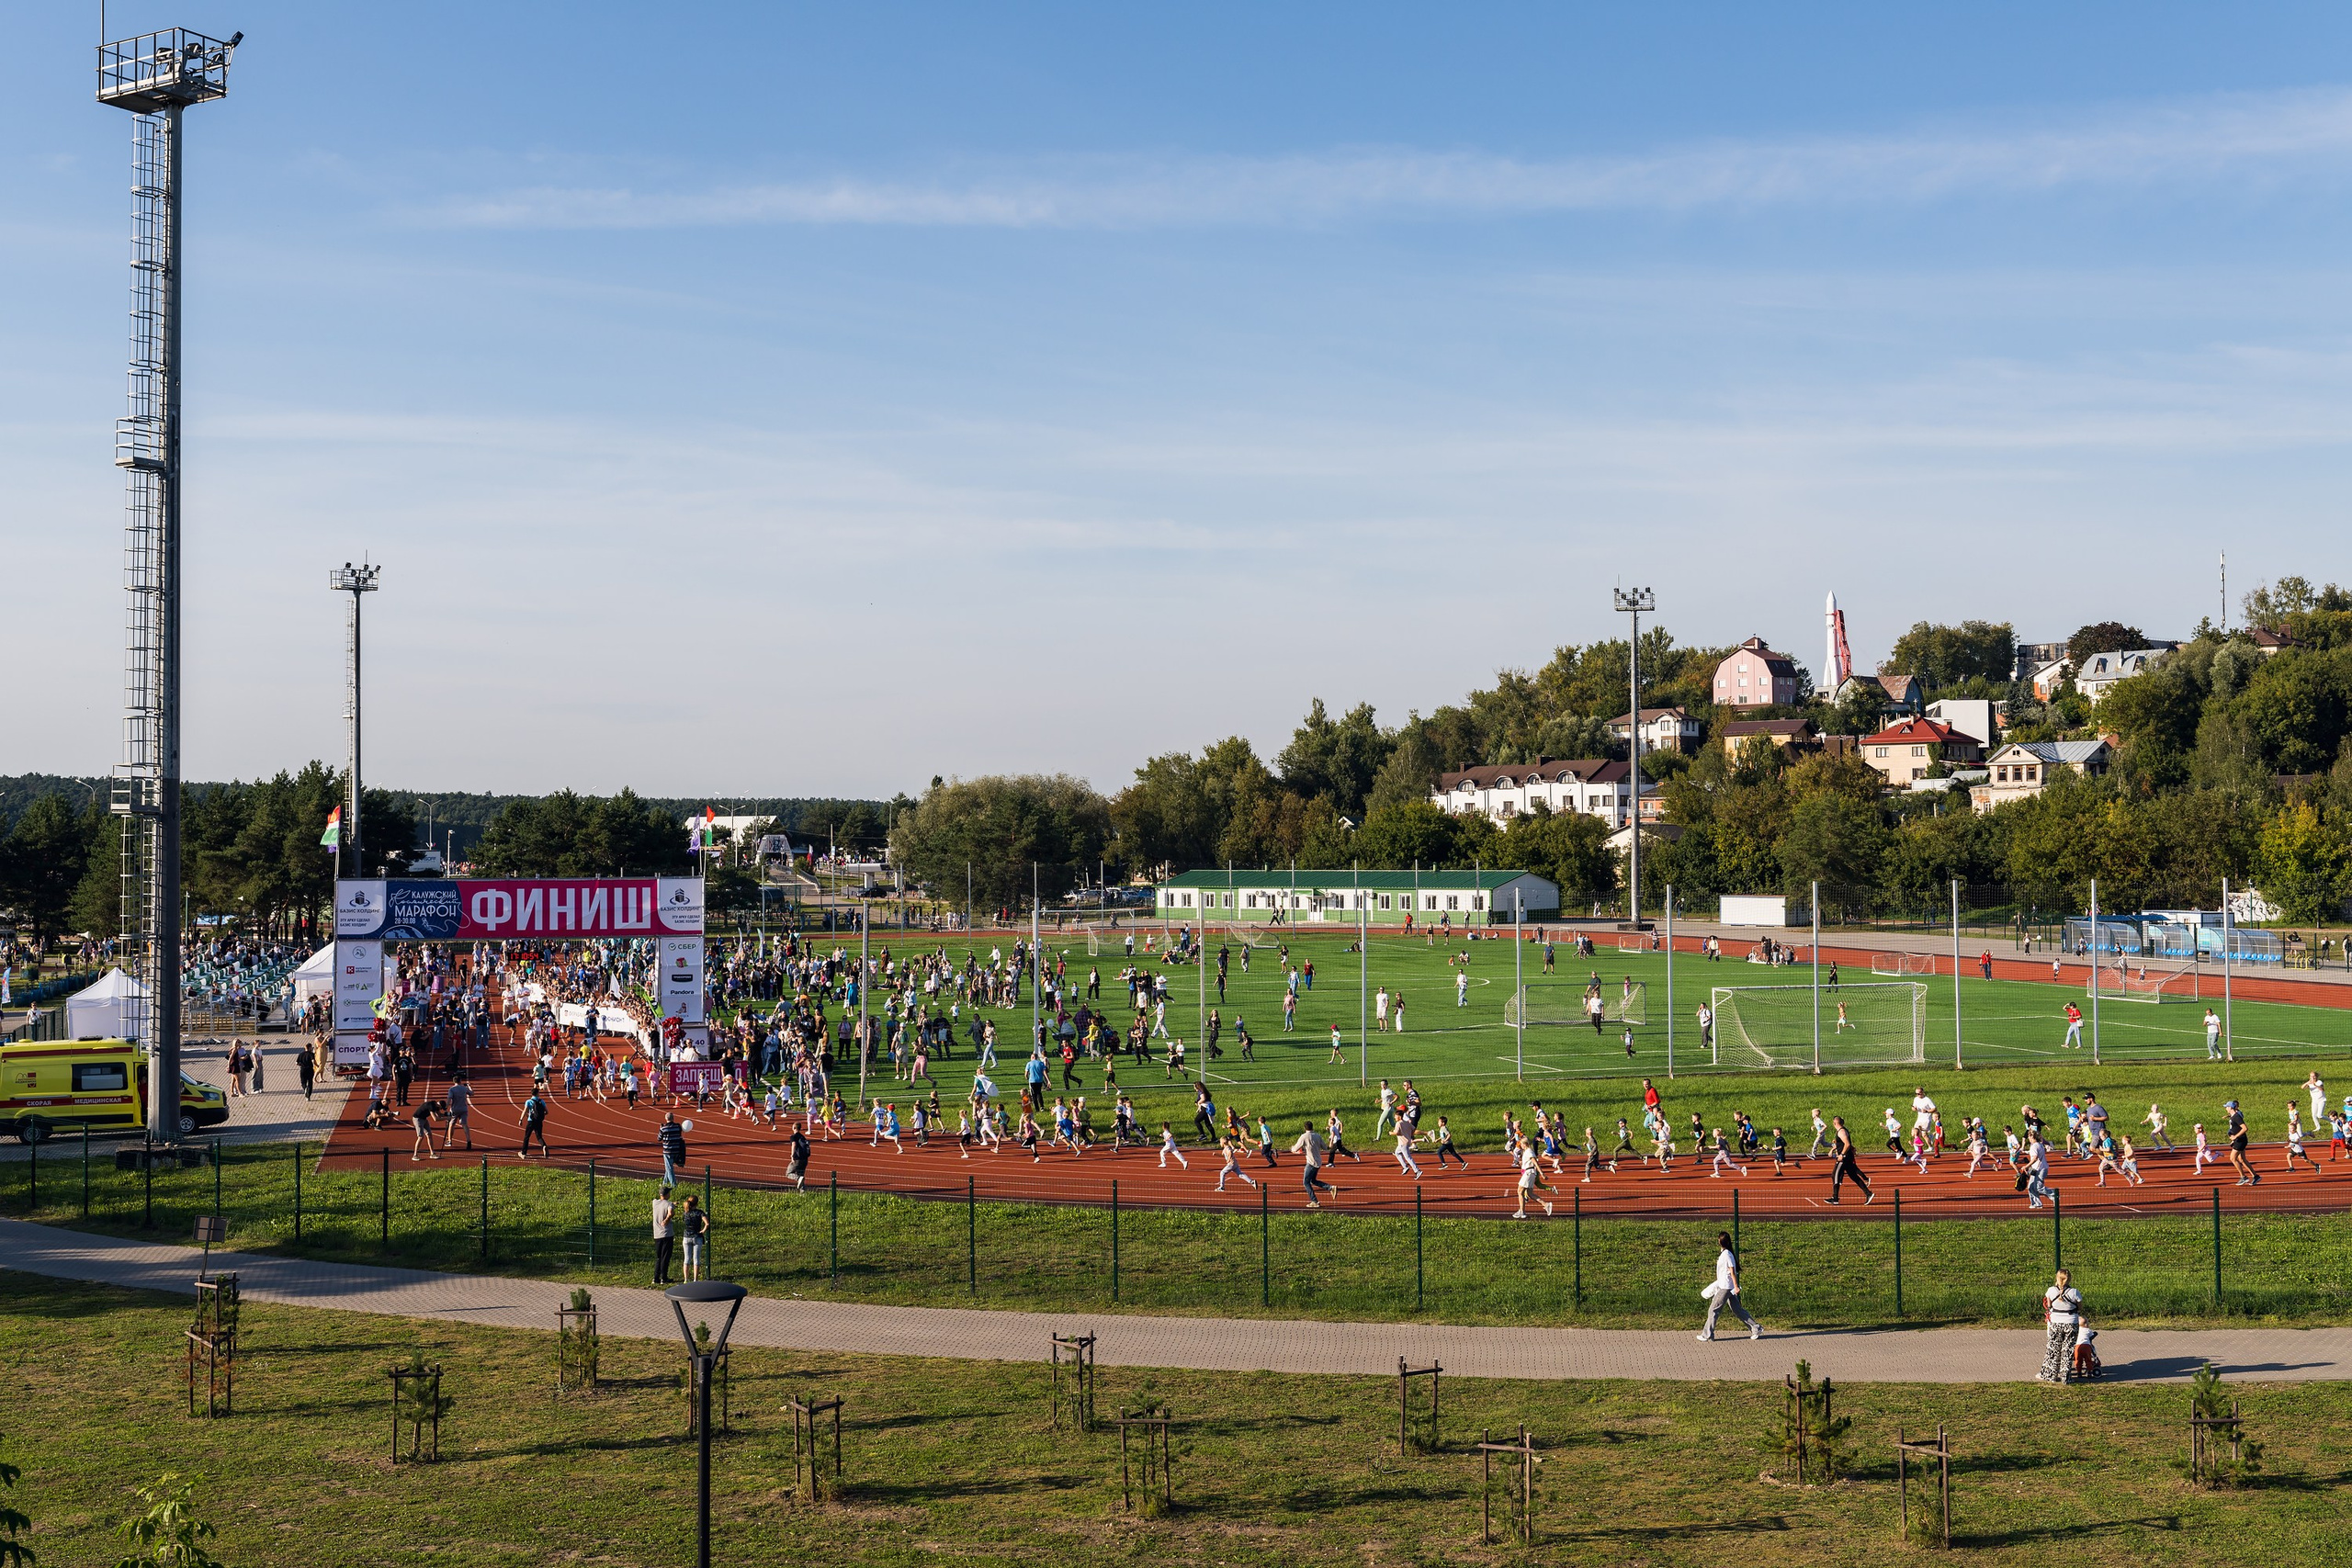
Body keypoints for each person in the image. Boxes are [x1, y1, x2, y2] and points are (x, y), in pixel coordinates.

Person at [1697, 1230, 1763, 1341]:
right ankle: (1756, 1328)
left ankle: (1707, 1335)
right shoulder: (1725, 1253)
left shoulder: (1727, 1254)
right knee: (1737, 1310)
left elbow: (1732, 1271)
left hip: (1726, 1287)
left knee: (1713, 1309)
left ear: (1720, 1242)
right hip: (1726, 1286)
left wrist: (1736, 1286)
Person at [2039, 1269, 2083, 1382]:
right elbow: (2079, 1307)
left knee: (2054, 1349)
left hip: (2055, 1322)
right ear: (2069, 1279)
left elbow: (2049, 1305)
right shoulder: (2074, 1292)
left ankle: (2050, 1375)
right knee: (2067, 1350)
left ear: (2057, 1278)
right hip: (2071, 1323)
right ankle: (2065, 1377)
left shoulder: (2051, 1290)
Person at [1828, 1115, 1871, 1204]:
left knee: (1835, 1175)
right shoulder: (1842, 1131)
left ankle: (1835, 1198)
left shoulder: (1841, 1131)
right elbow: (1845, 1144)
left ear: (1835, 1123)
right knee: (1853, 1176)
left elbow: (1847, 1144)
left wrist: (1842, 1154)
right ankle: (1868, 1193)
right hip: (1847, 1157)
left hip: (1844, 1158)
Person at [679, 1194, 709, 1282]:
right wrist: (703, 1230)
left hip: (686, 1236)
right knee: (696, 1259)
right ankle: (695, 1279)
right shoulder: (699, 1213)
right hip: (697, 1236)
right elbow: (707, 1223)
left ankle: (686, 1279)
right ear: (697, 1203)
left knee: (687, 1258)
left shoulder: (685, 1213)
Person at [651, 1185, 677, 1285]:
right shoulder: (669, 1204)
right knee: (665, 1256)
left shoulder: (655, 1203)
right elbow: (670, 1213)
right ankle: (664, 1277)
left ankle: (656, 1278)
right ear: (667, 1194)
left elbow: (665, 1204)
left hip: (657, 1234)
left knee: (659, 1257)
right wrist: (667, 1219)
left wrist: (673, 1204)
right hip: (667, 1234)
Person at [518, 1089, 549, 1157]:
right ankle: (544, 1145)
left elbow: (525, 1111)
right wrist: (541, 1114)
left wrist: (521, 1119)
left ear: (531, 1094)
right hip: (539, 1121)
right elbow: (547, 1112)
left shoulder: (528, 1101)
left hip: (531, 1121)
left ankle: (523, 1153)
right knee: (539, 1136)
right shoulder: (542, 1101)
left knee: (527, 1137)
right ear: (538, 1093)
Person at [659, 1111, 688, 1185]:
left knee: (669, 1168)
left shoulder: (663, 1128)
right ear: (673, 1118)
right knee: (668, 1168)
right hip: (676, 1150)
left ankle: (673, 1185)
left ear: (666, 1119)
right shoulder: (678, 1126)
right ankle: (664, 1183)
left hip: (668, 1151)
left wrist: (660, 1129)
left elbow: (659, 1138)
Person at [786, 1120, 811, 1190]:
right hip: (805, 1159)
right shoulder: (802, 1137)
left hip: (797, 1159)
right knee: (801, 1175)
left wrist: (792, 1155)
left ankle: (798, 1178)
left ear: (794, 1128)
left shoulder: (793, 1137)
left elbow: (794, 1145)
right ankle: (802, 1192)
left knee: (788, 1173)